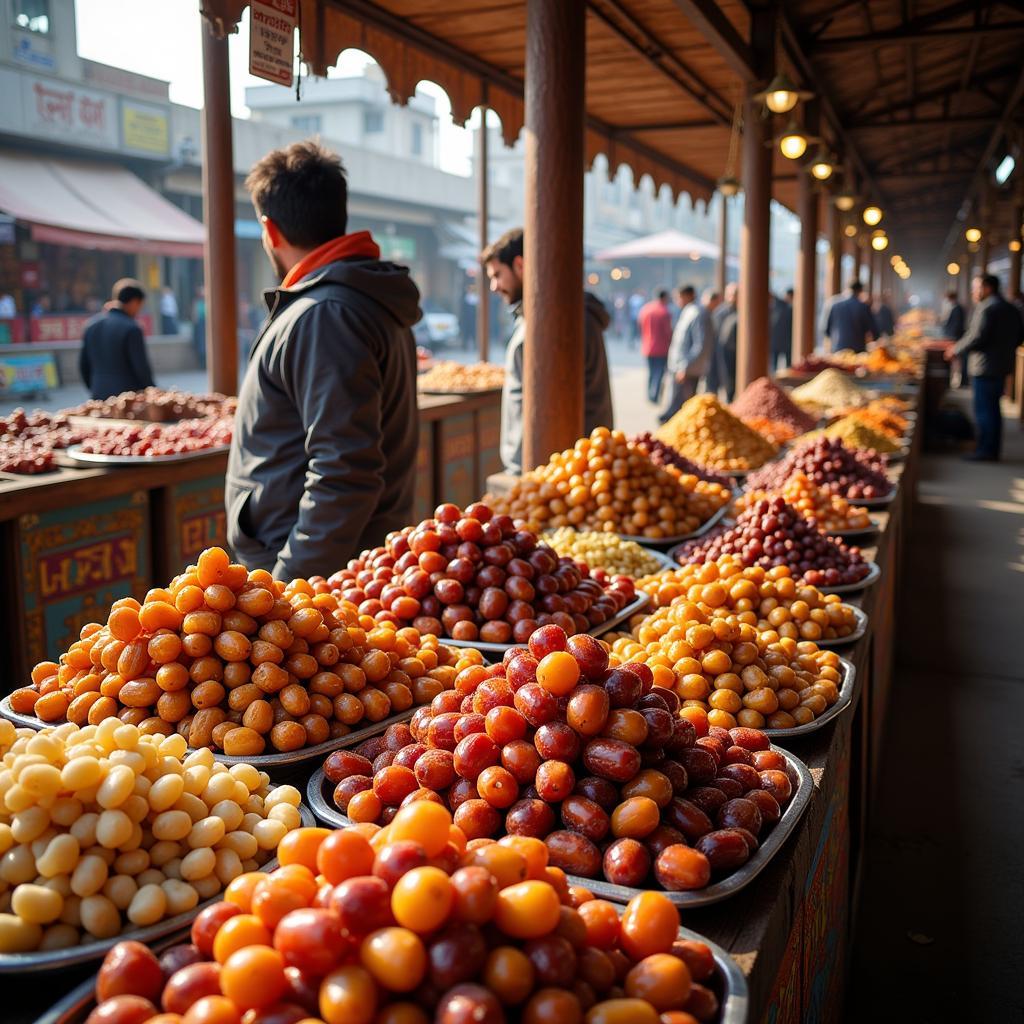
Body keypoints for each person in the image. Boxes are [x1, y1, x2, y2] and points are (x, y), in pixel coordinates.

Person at [225, 140, 421, 578]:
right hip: (341, 557)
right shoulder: (351, 300)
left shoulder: (325, 314)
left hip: (312, 569)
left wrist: (289, 587)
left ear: (270, 230)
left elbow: (343, 471)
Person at [482, 227, 613, 475]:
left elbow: (549, 412)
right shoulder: (549, 315)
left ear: (520, 265)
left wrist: (529, 473)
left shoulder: (557, 320)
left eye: (497, 275)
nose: (493, 286)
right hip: (568, 467)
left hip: (566, 473)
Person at [946, 272, 1023, 461]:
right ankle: (991, 448)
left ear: (988, 288)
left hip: (984, 366)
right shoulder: (1011, 308)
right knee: (994, 410)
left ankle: (985, 450)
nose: (973, 291)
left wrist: (956, 349)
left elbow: (976, 336)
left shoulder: (987, 308)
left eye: (976, 287)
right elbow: (1019, 336)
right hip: (1002, 365)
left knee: (984, 411)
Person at [79, 279, 156, 400]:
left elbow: (84, 366)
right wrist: (152, 390)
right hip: (127, 399)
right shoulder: (132, 328)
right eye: (140, 306)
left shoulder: (91, 326)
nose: (139, 311)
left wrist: (95, 388)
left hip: (98, 395)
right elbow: (141, 368)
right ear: (135, 302)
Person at [660, 285, 715, 423]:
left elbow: (701, 344)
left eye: (678, 297)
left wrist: (686, 367)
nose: (677, 300)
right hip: (679, 367)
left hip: (687, 369)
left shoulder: (698, 313)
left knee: (681, 408)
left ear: (688, 296)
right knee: (677, 405)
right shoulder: (687, 311)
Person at [638, 290, 672, 404]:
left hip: (647, 346)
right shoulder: (664, 311)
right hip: (661, 348)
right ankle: (654, 395)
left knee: (651, 372)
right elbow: (668, 332)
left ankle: (650, 394)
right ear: (664, 298)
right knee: (659, 373)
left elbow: (639, 325)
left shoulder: (645, 309)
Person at [823, 280, 876, 353]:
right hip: (857, 350)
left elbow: (826, 330)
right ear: (860, 291)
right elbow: (872, 329)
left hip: (837, 349)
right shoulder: (863, 307)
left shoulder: (834, 305)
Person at [711, 281, 738, 401]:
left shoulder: (744, 311)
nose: (733, 297)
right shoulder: (720, 312)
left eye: (735, 294)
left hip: (737, 352)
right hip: (721, 351)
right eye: (731, 294)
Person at [770, 289, 793, 371]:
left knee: (774, 366)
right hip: (785, 341)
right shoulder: (788, 307)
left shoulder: (780, 307)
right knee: (787, 366)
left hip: (777, 341)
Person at [192, 286, 207, 370]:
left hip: (205, 325)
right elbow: (195, 316)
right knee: (201, 346)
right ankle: (202, 365)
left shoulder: (207, 302)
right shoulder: (197, 303)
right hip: (200, 326)